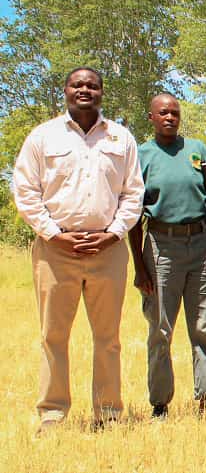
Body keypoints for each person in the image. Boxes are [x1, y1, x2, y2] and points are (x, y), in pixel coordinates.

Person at [13, 67, 145, 433]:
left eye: (92, 85)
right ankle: (52, 413)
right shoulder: (43, 137)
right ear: (66, 90)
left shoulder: (120, 138)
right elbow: (25, 191)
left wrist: (113, 234)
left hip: (108, 249)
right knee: (53, 336)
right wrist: (54, 234)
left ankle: (108, 413)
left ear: (101, 92)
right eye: (77, 85)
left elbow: (133, 193)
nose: (85, 90)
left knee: (108, 338)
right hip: (55, 250)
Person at [128, 93, 206, 419]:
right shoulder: (141, 156)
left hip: (201, 245)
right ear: (151, 117)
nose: (170, 117)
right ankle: (160, 403)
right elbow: (133, 217)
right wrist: (139, 266)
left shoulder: (198, 151)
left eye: (174, 112)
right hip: (161, 246)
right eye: (163, 113)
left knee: (205, 327)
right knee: (160, 329)